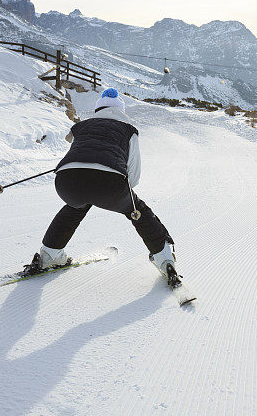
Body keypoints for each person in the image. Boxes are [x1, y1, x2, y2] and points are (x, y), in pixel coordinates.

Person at [25, 88, 178, 282]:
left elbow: (78, 152)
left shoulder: (82, 126)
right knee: (138, 211)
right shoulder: (128, 130)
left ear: (98, 109)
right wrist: (119, 193)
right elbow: (134, 175)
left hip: (66, 181)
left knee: (75, 206)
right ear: (121, 111)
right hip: (110, 184)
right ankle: (165, 260)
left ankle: (49, 254)